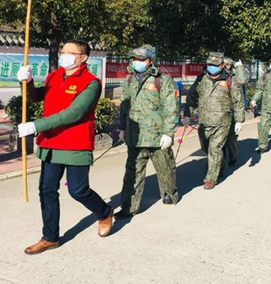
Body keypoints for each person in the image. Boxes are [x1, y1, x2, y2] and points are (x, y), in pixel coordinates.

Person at [16, 39, 114, 255]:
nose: (64, 55)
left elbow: (74, 113)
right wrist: (28, 82)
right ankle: (50, 237)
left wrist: (35, 126)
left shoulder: (91, 83)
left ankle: (105, 211)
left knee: (78, 190)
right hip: (50, 144)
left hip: (74, 144)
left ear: (83, 57)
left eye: (70, 52)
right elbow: (34, 97)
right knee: (47, 190)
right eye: (63, 51)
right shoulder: (55, 75)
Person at [115, 44, 179, 219]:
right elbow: (124, 106)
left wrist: (169, 132)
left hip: (157, 135)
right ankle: (128, 206)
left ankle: (169, 193)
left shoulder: (162, 80)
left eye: (141, 59)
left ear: (150, 61)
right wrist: (122, 128)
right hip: (134, 136)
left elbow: (171, 107)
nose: (137, 62)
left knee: (165, 167)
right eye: (134, 59)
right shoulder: (129, 80)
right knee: (132, 172)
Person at [184, 52, 245, 190]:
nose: (211, 67)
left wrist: (240, 120)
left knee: (215, 149)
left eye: (215, 65)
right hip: (204, 121)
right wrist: (187, 114)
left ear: (222, 65)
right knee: (207, 148)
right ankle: (220, 165)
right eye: (210, 64)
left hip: (222, 122)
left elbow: (238, 101)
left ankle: (210, 179)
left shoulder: (230, 80)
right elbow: (191, 97)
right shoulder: (201, 79)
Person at [223, 57, 249, 166]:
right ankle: (221, 162)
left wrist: (239, 67)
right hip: (220, 112)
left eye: (227, 65)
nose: (225, 67)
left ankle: (232, 156)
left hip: (233, 111)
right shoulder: (218, 76)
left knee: (231, 139)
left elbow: (243, 80)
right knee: (220, 140)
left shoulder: (235, 75)